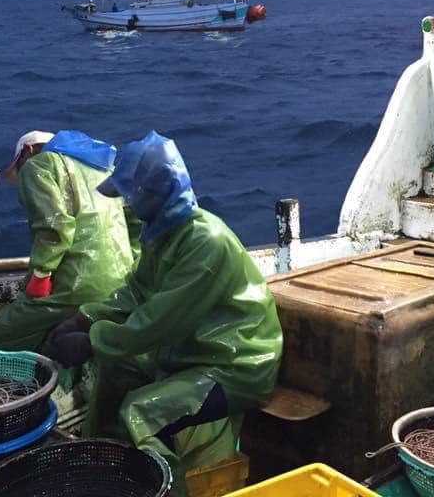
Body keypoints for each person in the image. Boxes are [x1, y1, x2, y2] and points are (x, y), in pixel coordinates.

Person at [42, 131, 282, 496]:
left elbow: (158, 321)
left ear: (154, 192)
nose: (127, 203)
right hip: (191, 353)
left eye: (131, 194)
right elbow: (136, 292)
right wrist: (86, 317)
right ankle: (103, 460)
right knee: (116, 368)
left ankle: (167, 489)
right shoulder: (163, 234)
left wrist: (92, 341)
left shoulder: (205, 242)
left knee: (141, 412)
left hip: (235, 365)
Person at [0, 129, 137, 354]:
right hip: (121, 284)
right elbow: (135, 221)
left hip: (76, 286)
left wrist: (41, 274)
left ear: (28, 150)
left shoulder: (38, 164)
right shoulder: (105, 169)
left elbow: (55, 225)